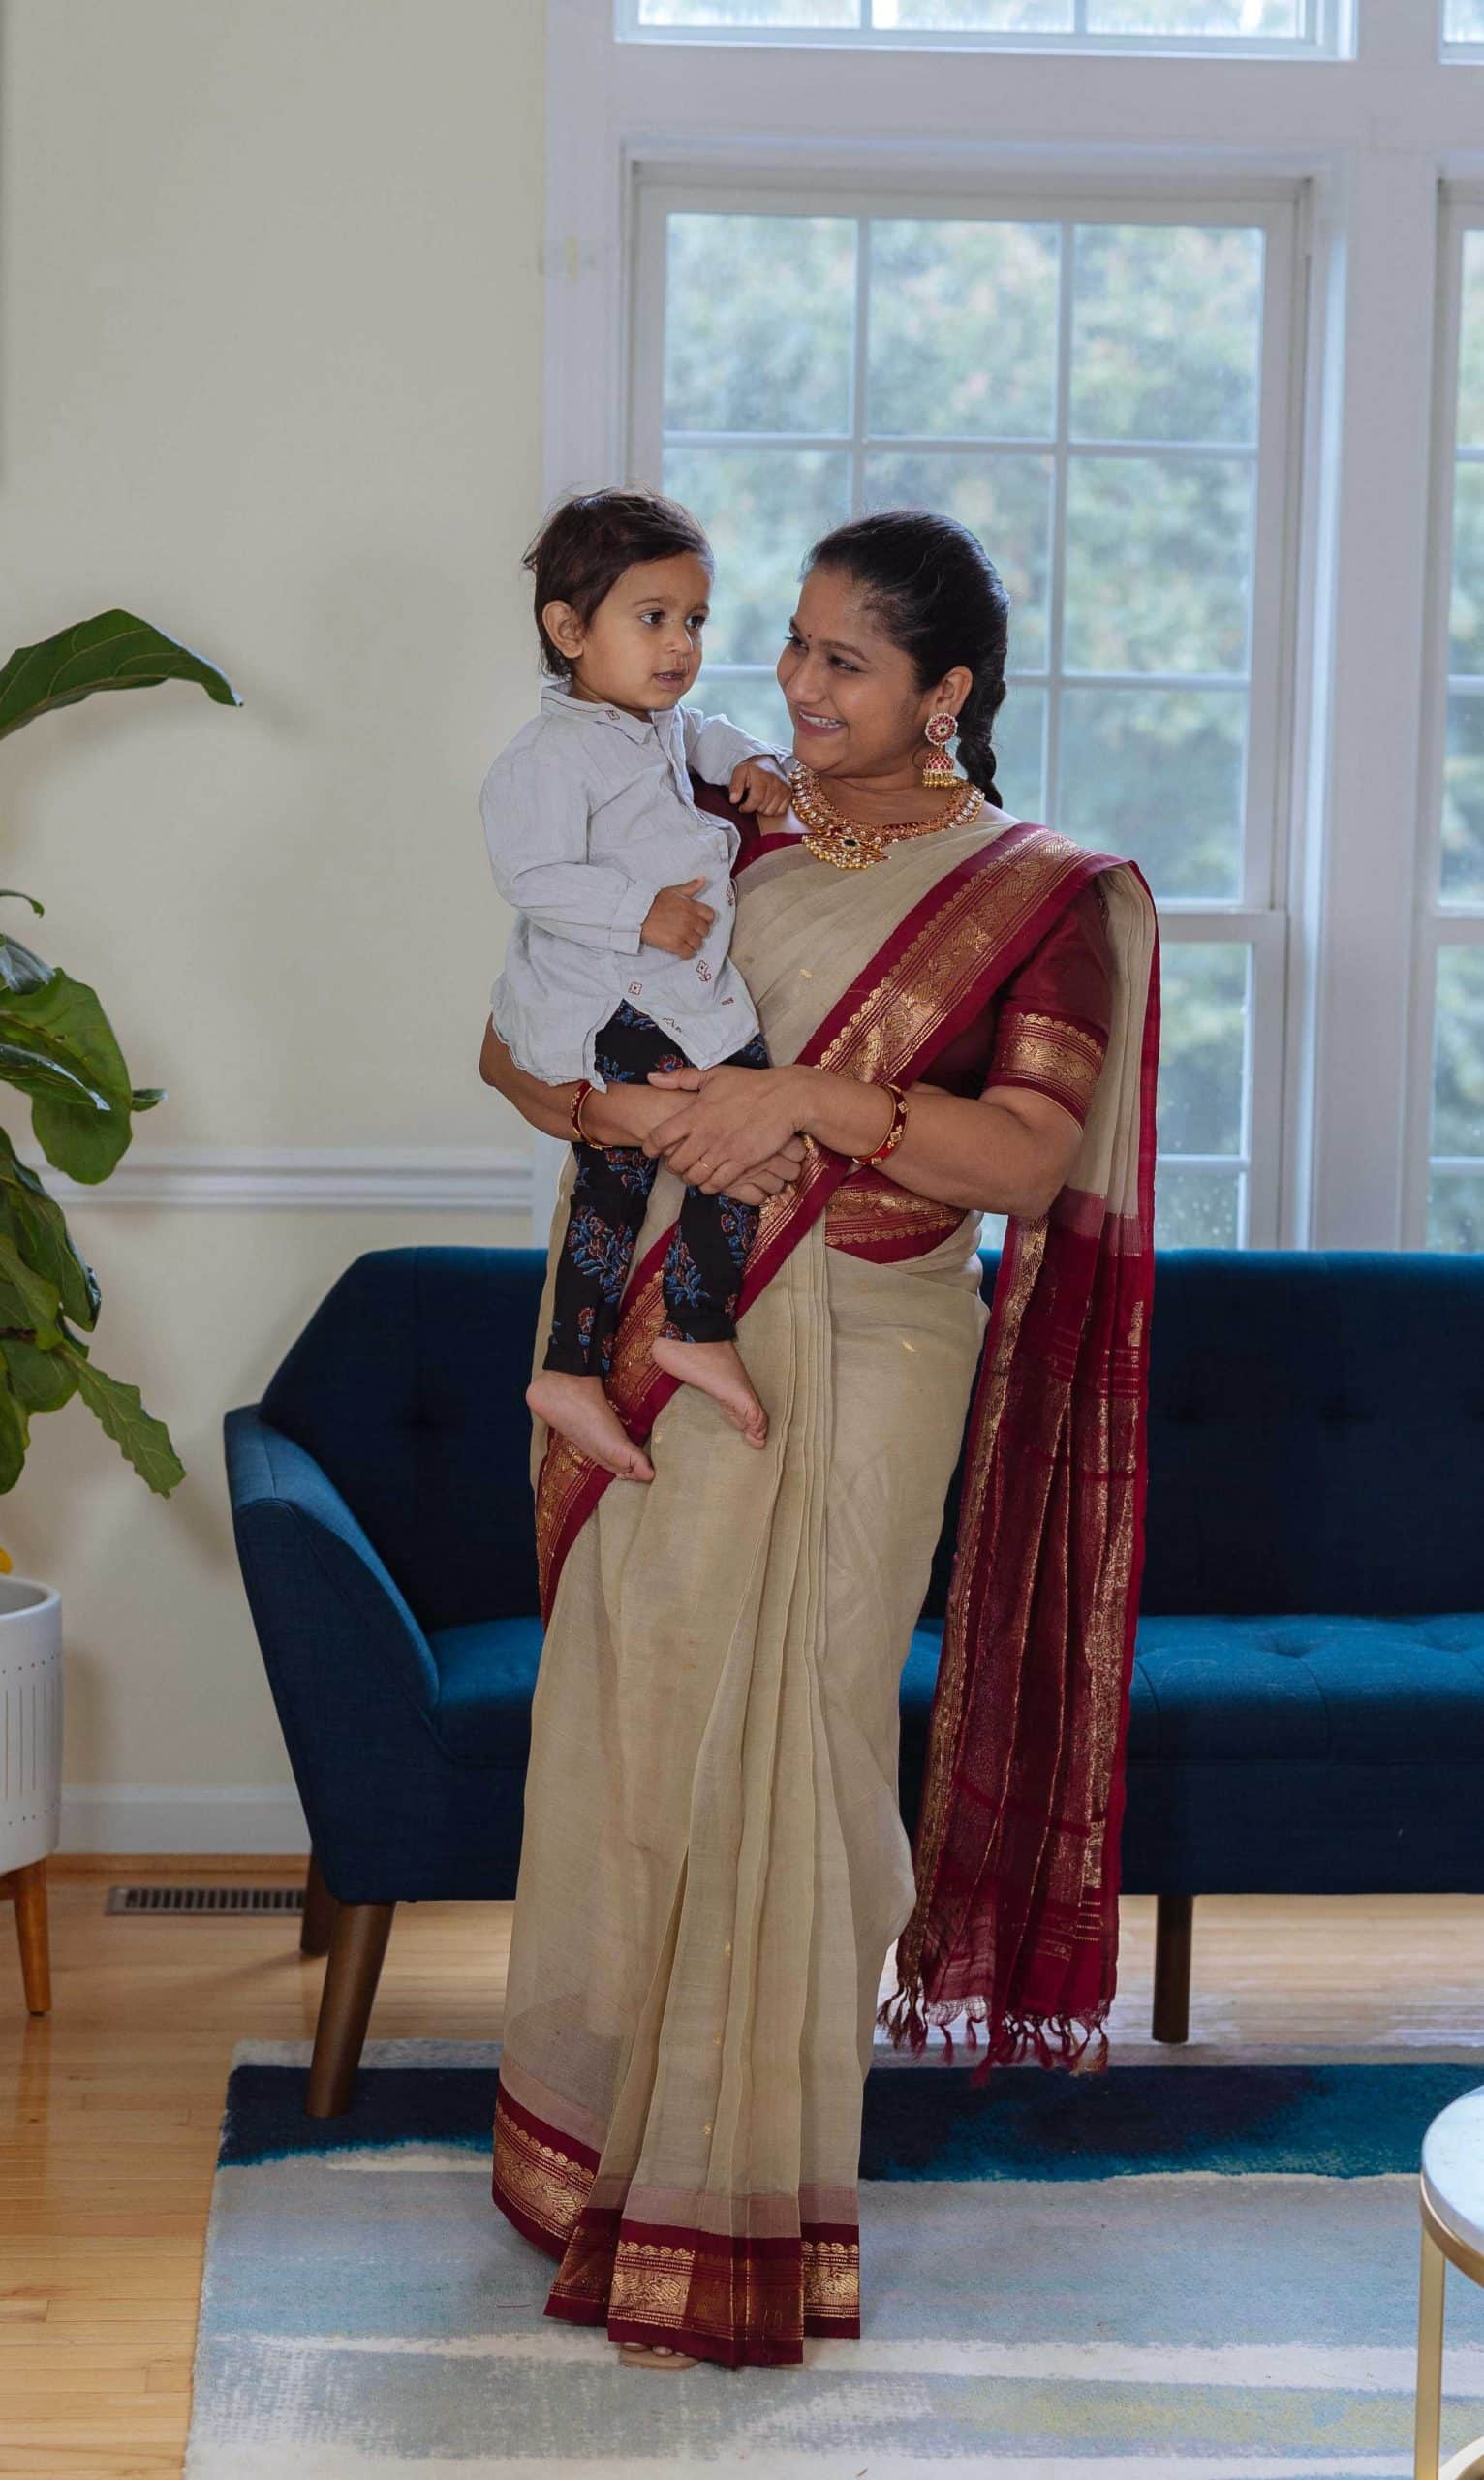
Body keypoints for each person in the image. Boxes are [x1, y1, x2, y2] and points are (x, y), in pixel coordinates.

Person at [478, 509, 1159, 2372]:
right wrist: (640, 1104)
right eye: (787, 644)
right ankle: (600, 2148)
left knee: (807, 1737)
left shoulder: (1042, 895)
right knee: (636, 1719)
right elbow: (514, 1049)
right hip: (673, 1332)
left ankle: (740, 2191)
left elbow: (1026, 1158)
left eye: (843, 659)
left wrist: (810, 1105)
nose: (791, 681)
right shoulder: (729, 825)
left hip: (864, 1340)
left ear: (945, 692)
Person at [481, 487, 792, 1481]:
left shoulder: (654, 724)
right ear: (568, 629)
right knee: (730, 1110)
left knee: (614, 1181)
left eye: (693, 621)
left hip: (661, 987)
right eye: (651, 619)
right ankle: (693, 1324)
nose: (679, 645)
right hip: (603, 994)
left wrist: (749, 757)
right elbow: (527, 877)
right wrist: (637, 912)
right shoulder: (543, 757)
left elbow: (699, 729)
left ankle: (571, 1367)